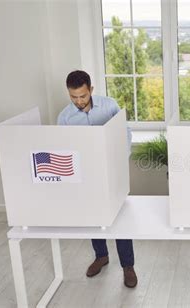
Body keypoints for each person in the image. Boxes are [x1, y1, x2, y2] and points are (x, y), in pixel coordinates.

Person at [57, 70, 137, 288]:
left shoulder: (110, 105)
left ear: (91, 90)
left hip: (111, 169)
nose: (79, 101)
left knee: (120, 218)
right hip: (85, 174)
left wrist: (121, 157)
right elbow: (64, 149)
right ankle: (101, 255)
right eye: (73, 97)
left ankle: (128, 266)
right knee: (93, 216)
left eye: (82, 96)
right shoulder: (64, 117)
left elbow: (125, 132)